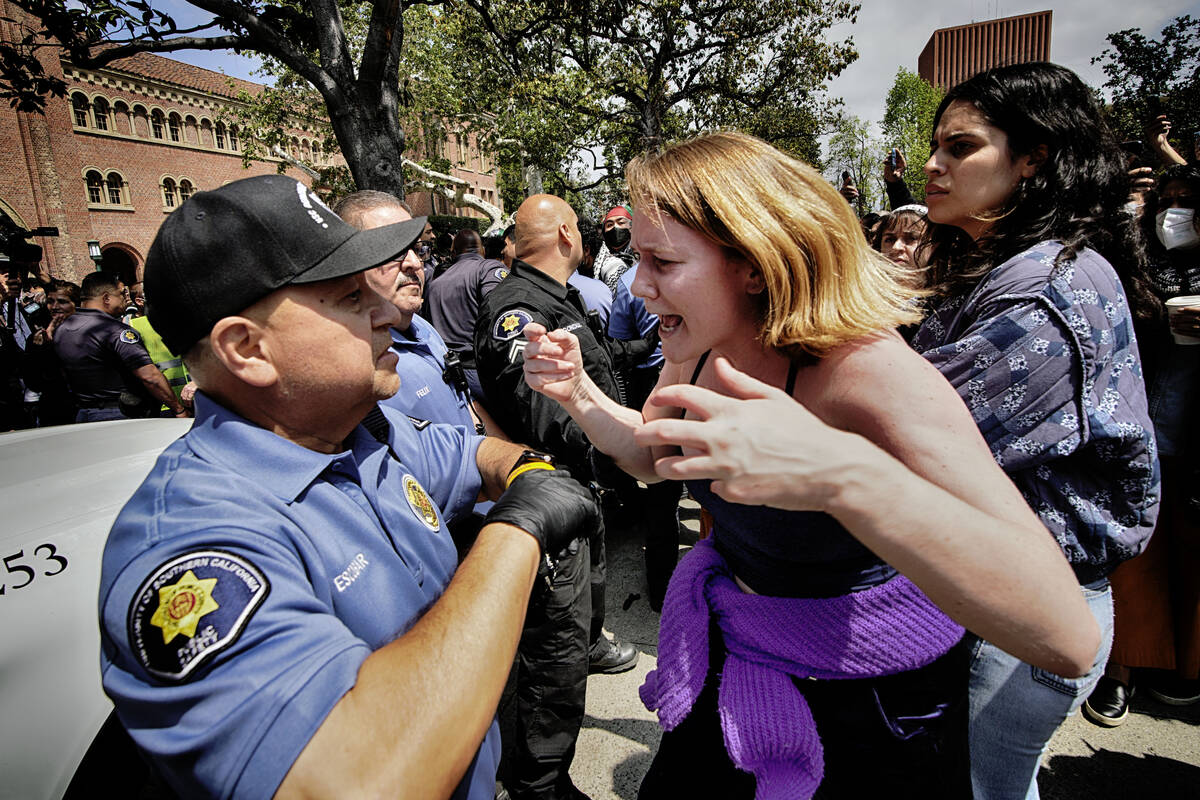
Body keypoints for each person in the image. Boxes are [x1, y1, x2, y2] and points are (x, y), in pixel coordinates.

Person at [521, 130, 1100, 799]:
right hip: (741, 655)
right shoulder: (693, 342)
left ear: (754, 265)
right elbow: (655, 454)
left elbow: (1068, 635)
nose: (638, 284)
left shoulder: (867, 369)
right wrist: (578, 395)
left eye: (662, 261)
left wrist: (840, 473)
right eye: (636, 256)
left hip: (877, 705)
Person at [98, 175, 600, 800]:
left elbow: (469, 451)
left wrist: (523, 470)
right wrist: (516, 530)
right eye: (348, 299)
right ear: (246, 348)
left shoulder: (354, 432)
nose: (388, 313)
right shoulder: (193, 541)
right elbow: (358, 780)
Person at [911, 62, 1160, 798]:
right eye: (936, 145)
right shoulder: (1008, 268)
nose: (932, 164)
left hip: (1024, 610)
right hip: (1002, 592)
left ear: (1034, 159)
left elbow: (917, 437)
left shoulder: (1046, 293)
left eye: (961, 148)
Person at [474, 194, 637, 800]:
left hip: (579, 488)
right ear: (569, 234)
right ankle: (541, 783)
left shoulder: (553, 297)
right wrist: (616, 438)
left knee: (576, 634)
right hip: (552, 493)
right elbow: (542, 412)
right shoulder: (518, 308)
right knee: (554, 657)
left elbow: (590, 370)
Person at [1084, 164, 1200, 724]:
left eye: (1187, 201)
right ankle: (1123, 670)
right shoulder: (1135, 264)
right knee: (1136, 559)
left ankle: (1186, 671)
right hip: (1145, 424)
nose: (1175, 212)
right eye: (1166, 200)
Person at [53, 271, 185, 421]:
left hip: (84, 414)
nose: (125, 299)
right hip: (121, 414)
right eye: (121, 294)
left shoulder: (62, 330)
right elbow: (150, 376)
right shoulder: (114, 331)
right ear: (106, 298)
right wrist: (178, 408)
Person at [24, 279, 80, 425]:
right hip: (56, 411)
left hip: (88, 407)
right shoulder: (38, 338)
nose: (55, 307)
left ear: (76, 303)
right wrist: (41, 350)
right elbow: (34, 382)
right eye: (50, 301)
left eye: (62, 301)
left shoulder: (90, 331)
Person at [873, 204, 929, 288]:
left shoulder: (949, 299)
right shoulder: (862, 296)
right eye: (889, 240)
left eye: (912, 238)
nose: (896, 247)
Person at [594, 206, 637, 292]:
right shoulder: (601, 261)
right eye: (609, 225)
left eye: (620, 223)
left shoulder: (644, 256)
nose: (615, 227)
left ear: (632, 227)